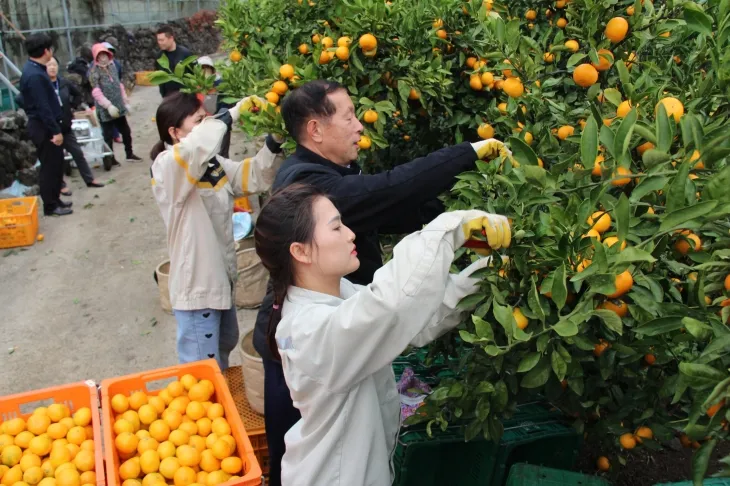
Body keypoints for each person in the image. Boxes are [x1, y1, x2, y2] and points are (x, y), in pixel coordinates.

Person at [253, 79, 514, 485]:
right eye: (339, 227)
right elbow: (388, 304)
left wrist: (485, 275)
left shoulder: (338, 295)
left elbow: (411, 321)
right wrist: (453, 225)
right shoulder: (310, 330)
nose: (352, 234)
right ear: (301, 251)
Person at [149, 91, 285, 370]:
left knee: (221, 353)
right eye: (198, 120)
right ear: (175, 132)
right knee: (202, 372)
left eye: (207, 118)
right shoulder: (168, 166)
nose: (208, 124)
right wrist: (231, 114)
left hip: (220, 279)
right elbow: (194, 148)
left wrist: (274, 141)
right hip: (198, 286)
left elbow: (251, 175)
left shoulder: (212, 164)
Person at [19, 33, 72, 216]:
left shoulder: (34, 70)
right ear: (46, 51)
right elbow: (43, 108)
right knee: (49, 167)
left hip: (45, 125)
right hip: (43, 127)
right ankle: (50, 205)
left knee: (56, 165)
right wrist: (55, 131)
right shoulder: (35, 75)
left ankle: (55, 199)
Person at [45, 57, 105, 188]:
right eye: (49, 65)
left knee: (77, 152)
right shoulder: (42, 86)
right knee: (56, 158)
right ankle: (60, 186)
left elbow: (78, 95)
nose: (52, 67)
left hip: (65, 126)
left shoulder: (63, 83)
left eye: (54, 64)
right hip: (51, 127)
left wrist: (70, 106)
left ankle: (89, 180)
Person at [88, 43, 141, 167]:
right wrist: (107, 105)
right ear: (96, 57)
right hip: (106, 109)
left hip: (118, 106)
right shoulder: (94, 71)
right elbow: (96, 91)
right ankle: (109, 159)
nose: (103, 57)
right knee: (108, 135)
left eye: (104, 54)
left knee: (126, 131)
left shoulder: (113, 66)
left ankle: (129, 154)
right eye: (100, 55)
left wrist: (125, 100)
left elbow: (119, 84)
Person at [197, 56, 232, 158]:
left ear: (212, 72)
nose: (204, 73)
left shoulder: (221, 86)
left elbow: (227, 107)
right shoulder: (195, 88)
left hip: (221, 125)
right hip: (203, 127)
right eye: (202, 70)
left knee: (222, 155)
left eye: (207, 70)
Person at [156, 25, 192, 98]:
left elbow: (194, 74)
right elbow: (159, 77)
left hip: (185, 97)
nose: (159, 43)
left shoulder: (185, 54)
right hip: (168, 98)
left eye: (162, 40)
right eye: (158, 40)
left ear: (171, 38)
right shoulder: (159, 56)